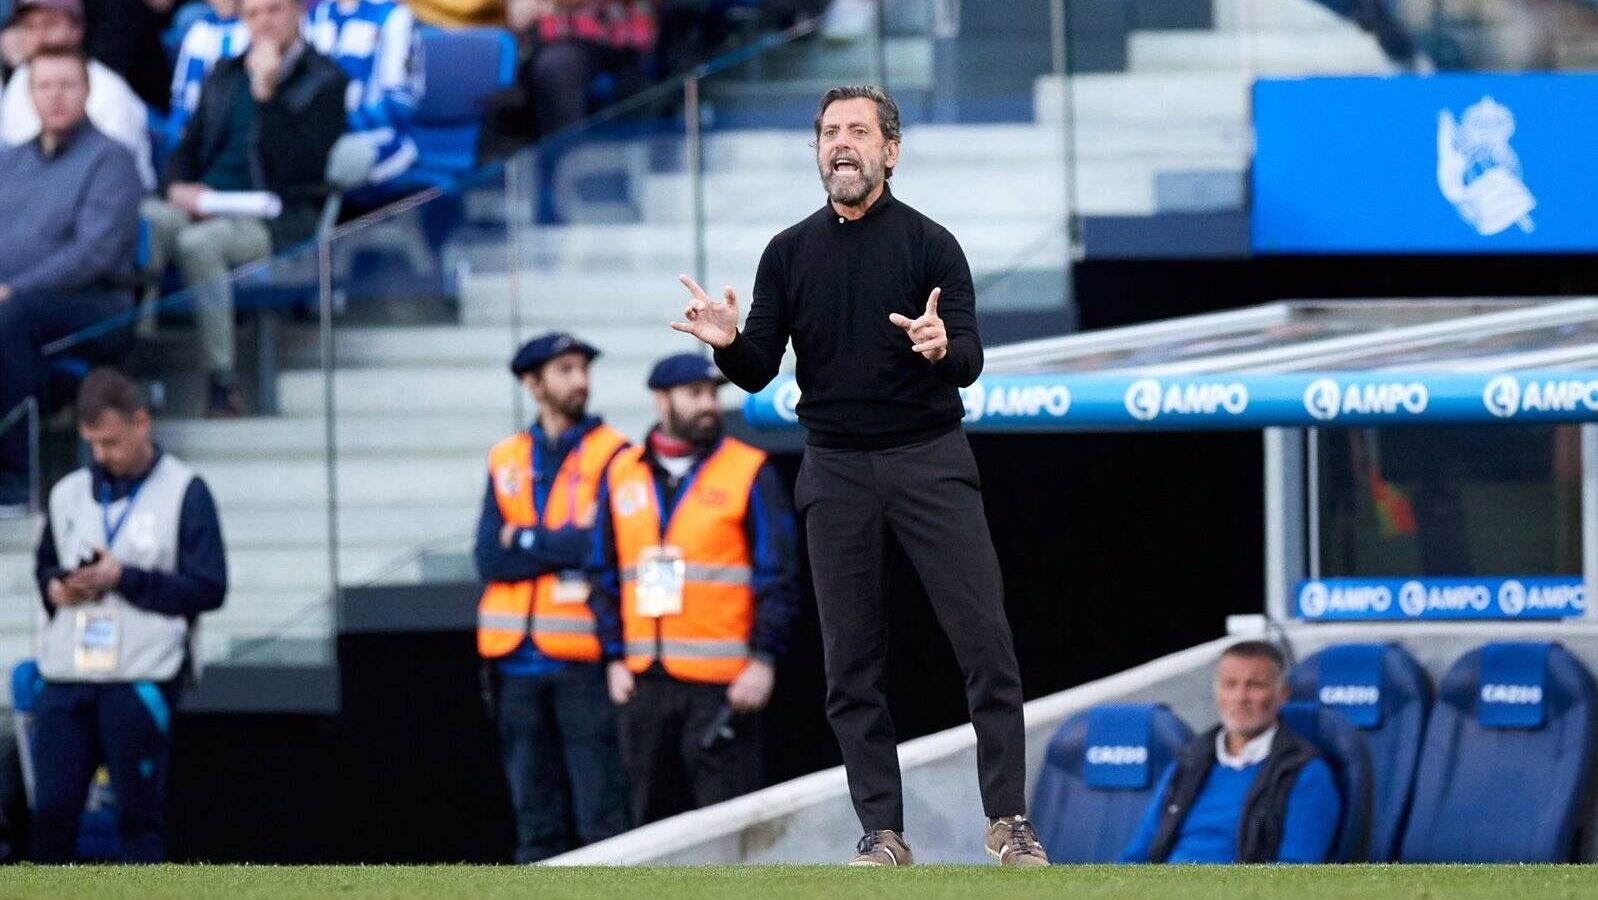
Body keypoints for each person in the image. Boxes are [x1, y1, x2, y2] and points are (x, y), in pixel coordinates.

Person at [671, 84, 1043, 866]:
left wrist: (942, 346)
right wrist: (727, 343)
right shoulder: (788, 252)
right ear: (817, 151)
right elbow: (757, 369)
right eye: (829, 132)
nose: (841, 142)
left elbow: (970, 359)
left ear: (890, 150)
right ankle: (882, 832)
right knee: (850, 666)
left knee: (987, 646)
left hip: (929, 459)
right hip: (836, 469)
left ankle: (1008, 821)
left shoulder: (932, 245)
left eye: (858, 131)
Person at [589, 353, 800, 826]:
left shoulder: (749, 470)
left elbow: (777, 575)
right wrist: (613, 658)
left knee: (730, 827)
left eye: (712, 394)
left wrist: (763, 660)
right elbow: (601, 572)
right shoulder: (621, 472)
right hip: (644, 682)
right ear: (661, 401)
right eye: (695, 394)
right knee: (649, 826)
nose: (709, 404)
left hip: (724, 685)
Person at [30, 367, 228, 863]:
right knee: (51, 816)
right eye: (93, 443)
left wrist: (124, 577)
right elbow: (44, 568)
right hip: (67, 676)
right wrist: (58, 588)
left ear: (142, 422)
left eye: (111, 442)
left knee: (138, 822)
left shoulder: (185, 490)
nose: (102, 455)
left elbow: (209, 587)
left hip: (141, 675)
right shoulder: (68, 493)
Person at [142, 0, 346, 416]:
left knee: (199, 244)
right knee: (149, 220)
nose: (263, 22)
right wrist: (177, 187)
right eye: (253, 14)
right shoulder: (225, 73)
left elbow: (299, 170)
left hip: (273, 216)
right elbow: (187, 146)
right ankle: (138, 359)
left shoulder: (326, 79)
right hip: (207, 199)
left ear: (298, 12)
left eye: (273, 10)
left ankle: (222, 381)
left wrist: (266, 94)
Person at [474, 332, 631, 863]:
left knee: (600, 811)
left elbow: (596, 546)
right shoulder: (506, 456)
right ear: (533, 383)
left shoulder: (614, 453)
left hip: (582, 660)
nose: (580, 380)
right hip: (512, 664)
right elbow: (488, 558)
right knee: (533, 816)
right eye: (565, 370)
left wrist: (521, 538)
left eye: (583, 369)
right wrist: (554, 543)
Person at [0, 46, 141, 508]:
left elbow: (94, 255)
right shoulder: (9, 162)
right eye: (44, 85)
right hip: (17, 301)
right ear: (29, 94)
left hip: (93, 306)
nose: (55, 96)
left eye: (66, 84)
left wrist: (15, 289)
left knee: (13, 319)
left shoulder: (111, 159)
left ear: (87, 90)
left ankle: (16, 478)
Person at [1120, 641, 1343, 864]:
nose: (1240, 697)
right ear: (1216, 691)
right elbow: (1138, 853)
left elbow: (1295, 871)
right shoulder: (1187, 760)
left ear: (1282, 694)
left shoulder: (1307, 773)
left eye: (1255, 685)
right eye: (1230, 684)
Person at [0, 0, 154, 188]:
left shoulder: (110, 92)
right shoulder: (20, 78)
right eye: (30, 27)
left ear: (77, 29)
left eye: (50, 24)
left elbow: (119, 180)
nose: (39, 36)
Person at [303, 0, 421, 196]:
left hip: (379, 139)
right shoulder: (315, 17)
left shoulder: (393, 17)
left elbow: (401, 101)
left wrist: (342, 112)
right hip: (319, 139)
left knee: (335, 163)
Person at [503, 0, 653, 138]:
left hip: (624, 37)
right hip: (557, 41)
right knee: (553, 67)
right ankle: (561, 152)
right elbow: (519, 18)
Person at [160, 0, 246, 152]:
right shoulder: (199, 33)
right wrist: (180, 122)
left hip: (240, 120)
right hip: (201, 122)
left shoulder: (251, 28)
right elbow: (185, 87)